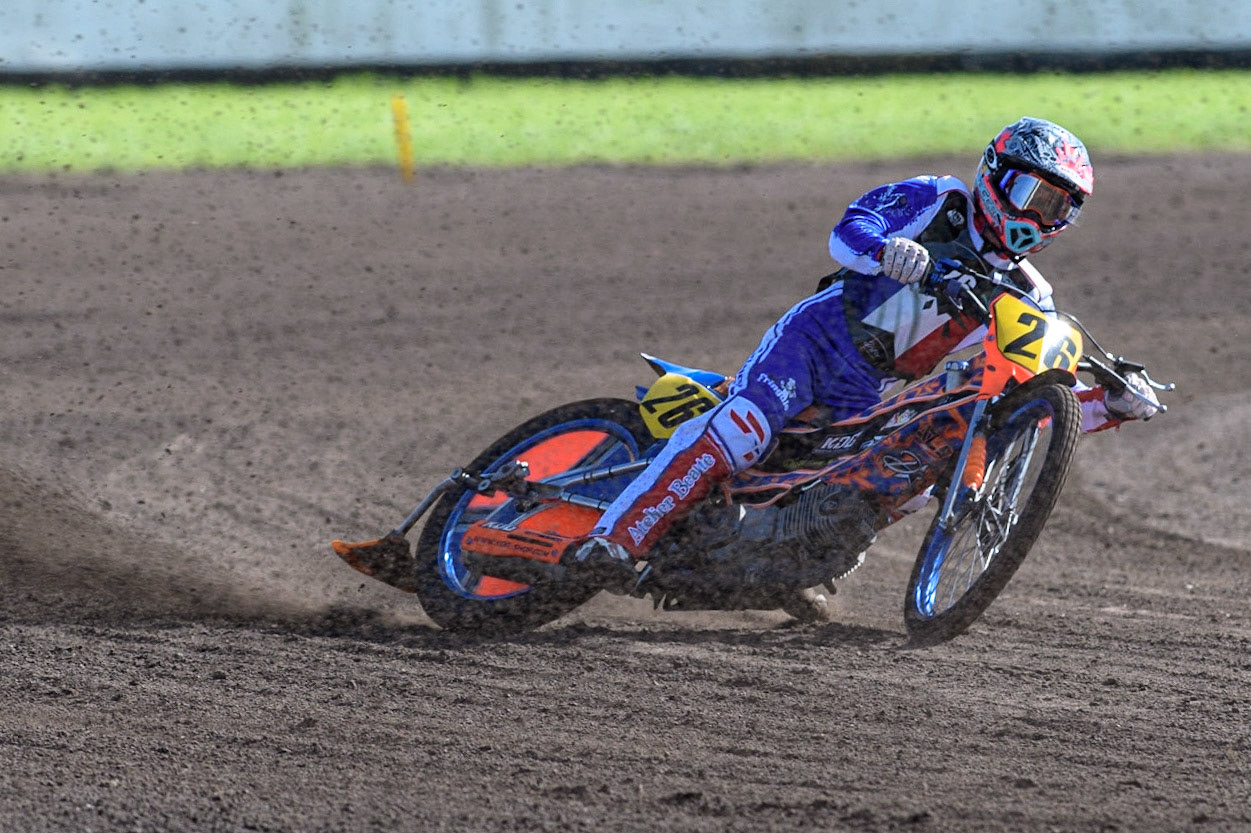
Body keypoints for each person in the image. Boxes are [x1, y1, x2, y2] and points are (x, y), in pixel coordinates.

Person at [494, 116, 1161, 590]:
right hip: (818, 339)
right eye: (1030, 195)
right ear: (996, 175)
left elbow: (1020, 400)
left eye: (1057, 209)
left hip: (868, 389)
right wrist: (893, 254)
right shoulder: (938, 200)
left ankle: (780, 568)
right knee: (743, 430)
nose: (1037, 217)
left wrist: (1107, 403)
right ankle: (616, 537)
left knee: (889, 472)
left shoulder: (1028, 292)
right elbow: (849, 231)